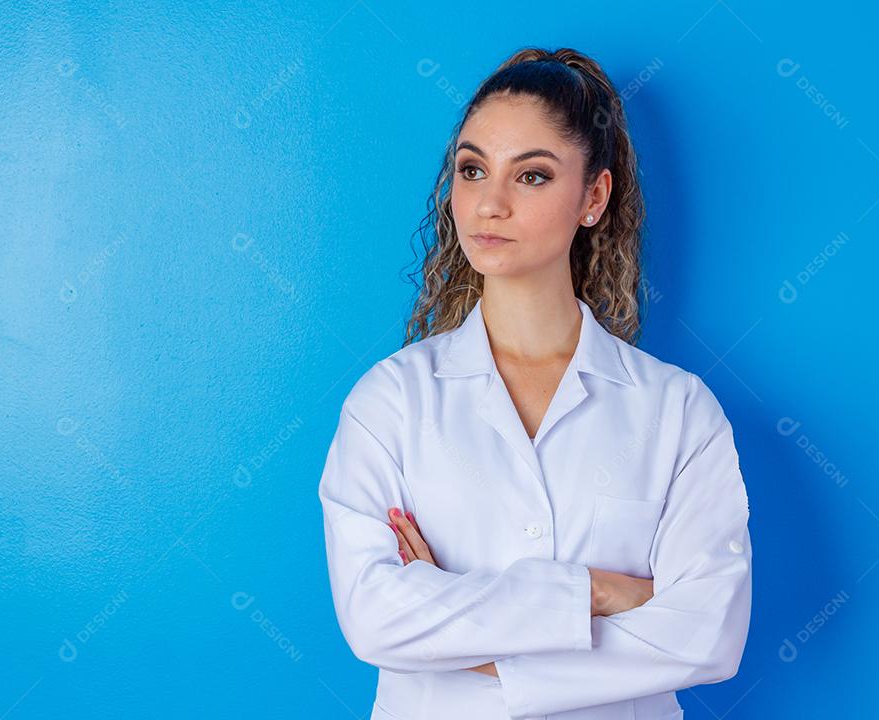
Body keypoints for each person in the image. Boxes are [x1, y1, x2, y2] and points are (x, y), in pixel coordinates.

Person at [317, 47, 751, 720]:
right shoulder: (391, 401)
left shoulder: (677, 410)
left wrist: (466, 633)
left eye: (533, 176)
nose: (489, 203)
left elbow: (710, 636)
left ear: (594, 197)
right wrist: (601, 593)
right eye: (472, 169)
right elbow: (375, 619)